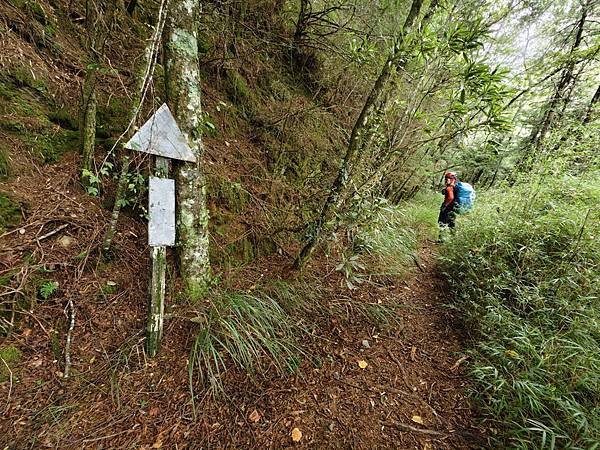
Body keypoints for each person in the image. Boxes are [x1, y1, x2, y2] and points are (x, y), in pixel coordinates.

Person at [438, 171, 458, 239]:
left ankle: (441, 239)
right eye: (445, 179)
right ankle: (453, 239)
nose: (446, 180)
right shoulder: (454, 187)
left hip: (447, 209)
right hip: (453, 209)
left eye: (447, 179)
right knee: (451, 224)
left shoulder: (449, 188)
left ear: (452, 179)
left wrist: (444, 206)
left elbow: (450, 197)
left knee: (442, 223)